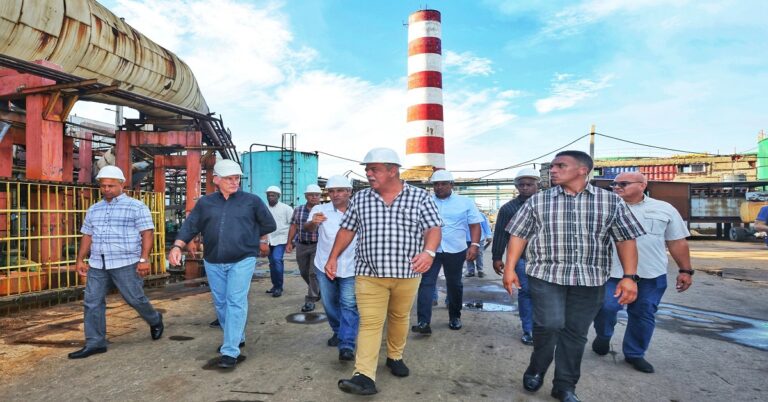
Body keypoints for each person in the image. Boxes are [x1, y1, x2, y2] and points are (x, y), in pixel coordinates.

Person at [502, 150, 645, 402]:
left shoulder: (610, 201)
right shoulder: (538, 200)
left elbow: (626, 240)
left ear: (582, 170)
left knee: (576, 332)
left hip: (590, 278)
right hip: (546, 274)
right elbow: (518, 235)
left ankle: (565, 386)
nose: (553, 170)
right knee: (549, 324)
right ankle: (537, 367)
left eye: (560, 165)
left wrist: (629, 276)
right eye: (553, 166)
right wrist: (510, 268)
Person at [328, 148, 442, 395]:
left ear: (393, 170)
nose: (368, 173)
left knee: (399, 318)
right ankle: (363, 375)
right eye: (367, 169)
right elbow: (347, 230)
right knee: (369, 323)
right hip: (369, 274)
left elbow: (433, 228)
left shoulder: (420, 198)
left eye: (374, 169)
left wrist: (429, 252)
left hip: (407, 273)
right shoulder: (360, 199)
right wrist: (333, 257)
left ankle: (394, 356)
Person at [168, 160, 276, 370]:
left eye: (237, 178)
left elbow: (268, 224)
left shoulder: (251, 201)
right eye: (229, 178)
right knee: (221, 303)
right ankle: (237, 335)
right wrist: (177, 246)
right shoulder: (205, 203)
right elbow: (190, 226)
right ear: (215, 179)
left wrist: (256, 239)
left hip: (243, 258)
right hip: (213, 260)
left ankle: (230, 350)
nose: (234, 182)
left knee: (235, 300)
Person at [592, 172, 694, 373]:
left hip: (651, 274)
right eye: (614, 184)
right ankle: (603, 336)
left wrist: (685, 270)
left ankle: (635, 354)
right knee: (606, 308)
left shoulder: (664, 209)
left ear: (642, 185)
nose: (617, 187)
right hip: (611, 273)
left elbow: (676, 241)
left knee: (643, 313)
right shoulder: (603, 208)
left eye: (623, 183)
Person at [69, 166, 164, 359]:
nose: (106, 189)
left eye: (111, 186)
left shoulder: (136, 207)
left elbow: (147, 233)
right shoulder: (94, 209)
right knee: (92, 302)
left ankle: (154, 319)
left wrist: (144, 259)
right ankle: (95, 342)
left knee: (134, 299)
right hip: (98, 263)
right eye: (103, 186)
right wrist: (80, 259)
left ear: (122, 184)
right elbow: (87, 235)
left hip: (126, 262)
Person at [413, 170, 482, 334]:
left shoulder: (465, 202)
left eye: (443, 184)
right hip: (430, 250)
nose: (439, 187)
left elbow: (475, 224)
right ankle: (423, 322)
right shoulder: (425, 201)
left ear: (452, 185)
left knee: (454, 284)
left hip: (455, 249)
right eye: (436, 184)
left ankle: (455, 317)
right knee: (426, 284)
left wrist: (474, 245)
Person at [304, 175, 359, 362]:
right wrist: (314, 223)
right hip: (324, 265)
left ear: (349, 192)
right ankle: (338, 331)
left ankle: (347, 344)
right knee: (329, 304)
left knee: (349, 304)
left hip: (352, 267)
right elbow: (308, 228)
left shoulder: (360, 210)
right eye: (332, 191)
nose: (335, 194)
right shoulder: (320, 209)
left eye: (340, 190)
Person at [491, 168, 541, 346]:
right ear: (517, 186)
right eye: (522, 185)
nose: (525, 188)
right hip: (522, 259)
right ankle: (529, 330)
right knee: (526, 292)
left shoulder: (548, 204)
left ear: (538, 185)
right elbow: (500, 234)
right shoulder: (509, 209)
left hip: (548, 260)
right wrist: (497, 257)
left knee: (546, 294)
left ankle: (546, 326)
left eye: (530, 184)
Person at [286, 184, 322, 312]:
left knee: (313, 273)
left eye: (317, 195)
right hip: (301, 244)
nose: (314, 197)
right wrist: (289, 242)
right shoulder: (298, 209)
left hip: (318, 246)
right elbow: (294, 226)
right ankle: (318, 290)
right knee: (303, 272)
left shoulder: (324, 210)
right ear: (306, 196)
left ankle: (311, 299)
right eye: (311, 194)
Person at [264, 185, 294, 298]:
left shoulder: (286, 208)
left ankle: (279, 287)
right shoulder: (264, 208)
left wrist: (291, 241)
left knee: (277, 260)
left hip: (281, 239)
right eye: (269, 195)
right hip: (268, 240)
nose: (271, 197)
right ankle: (274, 285)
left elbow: (293, 224)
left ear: (278, 196)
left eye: (273, 195)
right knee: (272, 264)